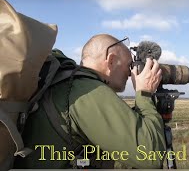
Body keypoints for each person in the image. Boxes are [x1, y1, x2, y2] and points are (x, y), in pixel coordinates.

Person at [14, 34, 166, 169]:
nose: (131, 72)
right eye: (129, 65)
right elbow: (150, 156)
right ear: (111, 60)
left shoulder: (67, 83)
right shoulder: (89, 90)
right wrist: (145, 93)